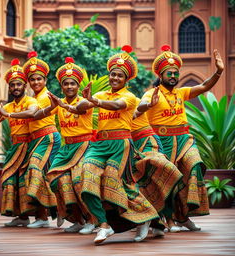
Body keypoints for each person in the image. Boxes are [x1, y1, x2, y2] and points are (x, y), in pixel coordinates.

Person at [77, 45, 164, 244]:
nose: (115, 78)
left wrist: (94, 101)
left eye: (119, 76)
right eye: (113, 74)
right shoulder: (100, 95)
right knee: (86, 179)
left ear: (125, 80)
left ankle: (145, 218)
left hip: (120, 145)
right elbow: (80, 108)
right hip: (99, 146)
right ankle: (104, 225)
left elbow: (117, 106)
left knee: (114, 183)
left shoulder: (129, 97)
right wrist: (85, 100)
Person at [138, 45, 224, 231]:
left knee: (194, 167)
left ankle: (184, 217)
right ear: (160, 75)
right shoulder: (151, 93)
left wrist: (218, 72)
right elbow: (140, 108)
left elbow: (203, 86)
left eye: (176, 73)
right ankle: (168, 219)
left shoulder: (181, 92)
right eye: (169, 73)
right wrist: (146, 106)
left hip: (184, 140)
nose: (173, 76)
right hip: (161, 142)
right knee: (168, 179)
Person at [34, 57, 96, 234]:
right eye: (66, 84)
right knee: (55, 179)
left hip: (84, 147)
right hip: (65, 148)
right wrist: (50, 108)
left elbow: (80, 110)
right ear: (61, 86)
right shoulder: (59, 103)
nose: (69, 87)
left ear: (78, 86)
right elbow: (37, 116)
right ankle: (74, 218)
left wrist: (61, 105)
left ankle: (91, 220)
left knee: (79, 183)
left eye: (72, 84)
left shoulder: (84, 101)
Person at [0, 59, 38, 227]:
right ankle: (20, 217)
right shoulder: (8, 106)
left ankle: (31, 216)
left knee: (23, 180)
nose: (15, 87)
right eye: (12, 85)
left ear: (25, 86)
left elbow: (31, 113)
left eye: (18, 84)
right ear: (9, 88)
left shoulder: (31, 101)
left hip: (27, 146)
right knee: (10, 180)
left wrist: (7, 115)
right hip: (14, 147)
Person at [131, 96, 183, 235]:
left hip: (148, 141)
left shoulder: (132, 98)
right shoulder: (105, 101)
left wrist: (148, 104)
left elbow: (140, 107)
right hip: (128, 145)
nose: (116, 78)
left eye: (120, 76)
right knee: (139, 181)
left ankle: (170, 219)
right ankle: (151, 221)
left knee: (162, 173)